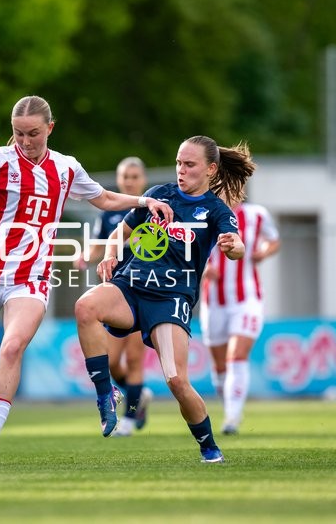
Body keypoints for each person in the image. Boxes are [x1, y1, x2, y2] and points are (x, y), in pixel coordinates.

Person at [0, 95, 173, 465]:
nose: (25, 142)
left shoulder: (66, 168)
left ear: (50, 129)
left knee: (11, 348)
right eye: (18, 134)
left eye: (34, 134)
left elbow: (103, 198)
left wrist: (143, 203)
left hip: (31, 277)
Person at [74, 135, 256, 463]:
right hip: (131, 286)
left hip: (171, 298)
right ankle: (106, 396)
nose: (180, 170)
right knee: (85, 306)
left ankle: (209, 447)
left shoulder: (215, 210)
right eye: (178, 163)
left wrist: (233, 246)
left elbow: (238, 247)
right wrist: (110, 254)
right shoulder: (158, 196)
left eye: (189, 164)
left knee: (176, 380)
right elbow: (120, 233)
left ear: (211, 169)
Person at [74, 156, 154, 437]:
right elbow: (97, 243)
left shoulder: (152, 209)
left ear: (143, 179)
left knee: (134, 359)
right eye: (125, 177)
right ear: (119, 180)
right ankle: (139, 394)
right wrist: (85, 255)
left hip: (143, 291)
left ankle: (130, 419)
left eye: (134, 176)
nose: (129, 181)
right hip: (115, 293)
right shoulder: (108, 214)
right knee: (109, 361)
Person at [199, 201, 280, 435]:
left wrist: (264, 251)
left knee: (237, 355)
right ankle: (231, 409)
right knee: (220, 366)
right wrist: (203, 269)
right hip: (213, 300)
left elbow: (273, 240)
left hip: (247, 298)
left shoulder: (256, 214)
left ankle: (232, 418)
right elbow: (185, 250)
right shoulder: (202, 213)